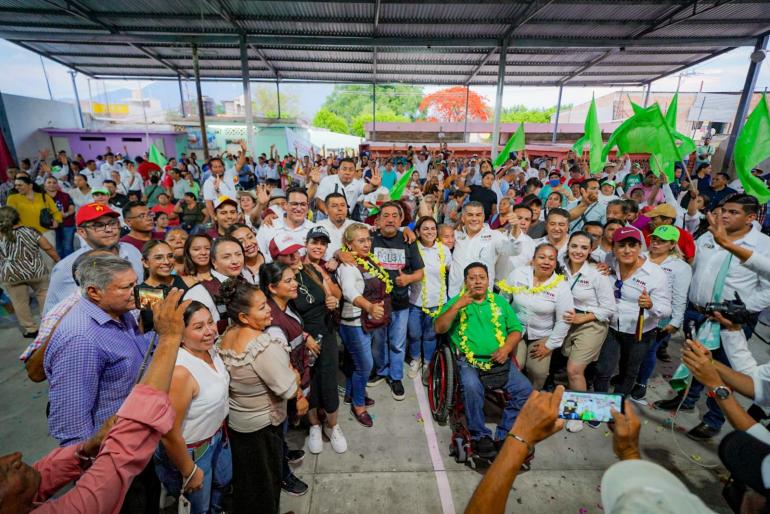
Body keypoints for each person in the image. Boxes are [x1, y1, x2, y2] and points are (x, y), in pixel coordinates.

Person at [0, 289, 189, 514]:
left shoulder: (125, 317)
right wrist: (169, 338)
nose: (15, 456)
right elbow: (112, 459)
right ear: (95, 292)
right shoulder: (79, 339)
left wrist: (86, 448)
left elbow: (44, 473)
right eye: (2, 475)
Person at [655, 194, 770, 440]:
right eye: (724, 210)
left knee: (726, 371)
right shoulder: (710, 235)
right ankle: (687, 399)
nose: (725, 216)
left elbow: (768, 288)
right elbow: (696, 270)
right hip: (697, 312)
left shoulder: (762, 246)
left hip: (730, 323)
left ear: (751, 217)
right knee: (698, 362)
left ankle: (714, 419)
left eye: (733, 212)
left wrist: (741, 310)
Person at [217, 276, 305, 514]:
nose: (270, 311)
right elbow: (287, 389)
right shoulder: (261, 346)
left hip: (239, 423)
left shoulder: (227, 334)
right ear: (244, 317)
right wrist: (294, 375)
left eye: (267, 304)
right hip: (263, 427)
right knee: (266, 485)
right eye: (262, 307)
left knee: (248, 483)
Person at [434, 262, 532, 459]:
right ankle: (479, 436)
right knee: (472, 387)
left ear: (489, 280)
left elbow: (515, 330)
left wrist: (506, 348)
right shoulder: (456, 302)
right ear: (465, 281)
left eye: (482, 277)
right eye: (472, 278)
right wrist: (456, 307)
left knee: (525, 390)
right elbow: (439, 328)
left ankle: (505, 434)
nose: (478, 281)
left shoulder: (499, 302)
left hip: (500, 359)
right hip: (469, 362)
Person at [154, 302, 231, 514]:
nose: (209, 331)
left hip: (217, 437)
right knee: (198, 506)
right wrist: (189, 470)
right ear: (180, 332)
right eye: (198, 327)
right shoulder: (181, 371)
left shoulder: (210, 350)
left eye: (210, 322)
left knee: (222, 484)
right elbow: (168, 432)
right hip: (193, 451)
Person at [276, 227, 346, 454]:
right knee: (310, 383)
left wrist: (332, 302)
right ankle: (315, 425)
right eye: (289, 255)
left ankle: (333, 426)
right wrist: (303, 337)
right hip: (301, 340)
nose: (294, 257)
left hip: (325, 333)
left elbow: (331, 296)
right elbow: (281, 315)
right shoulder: (279, 282)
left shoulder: (313, 269)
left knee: (328, 381)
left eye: (295, 253)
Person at [257, 261, 314, 496]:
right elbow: (282, 366)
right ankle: (282, 475)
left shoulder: (285, 307)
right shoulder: (273, 324)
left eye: (294, 279)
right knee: (279, 430)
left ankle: (284, 453)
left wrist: (305, 335)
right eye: (288, 281)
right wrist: (299, 395)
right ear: (272, 287)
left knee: (285, 428)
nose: (295, 285)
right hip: (287, 386)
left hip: (299, 374)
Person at [594, 226, 671, 397]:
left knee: (629, 371)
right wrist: (604, 269)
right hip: (612, 327)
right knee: (603, 368)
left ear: (640, 247)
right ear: (613, 248)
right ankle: (600, 405)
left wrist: (651, 305)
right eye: (621, 245)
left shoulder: (655, 273)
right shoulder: (610, 260)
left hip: (640, 333)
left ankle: (619, 405)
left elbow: (666, 309)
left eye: (632, 245)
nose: (627, 250)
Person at [364, 202, 424, 400]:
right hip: (377, 304)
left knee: (397, 343)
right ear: (378, 220)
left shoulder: (408, 240)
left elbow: (420, 273)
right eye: (385, 216)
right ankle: (381, 371)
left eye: (394, 216)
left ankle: (395, 377)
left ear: (400, 220)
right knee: (378, 341)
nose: (390, 219)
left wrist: (407, 279)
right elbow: (349, 242)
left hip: (399, 303)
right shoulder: (369, 239)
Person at [43, 202, 144, 314]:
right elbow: (54, 312)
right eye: (99, 226)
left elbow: (138, 292)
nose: (109, 229)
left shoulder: (132, 250)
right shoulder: (67, 268)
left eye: (112, 223)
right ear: (82, 232)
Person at [560, 232, 616, 431]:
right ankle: (576, 402)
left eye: (584, 248)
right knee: (569, 369)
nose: (578, 251)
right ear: (568, 246)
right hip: (568, 322)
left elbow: (609, 309)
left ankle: (578, 415)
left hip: (591, 323)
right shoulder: (561, 267)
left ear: (591, 250)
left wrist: (583, 318)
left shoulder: (597, 274)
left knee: (574, 370)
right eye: (574, 246)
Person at [499, 243, 575, 391]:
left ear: (555, 263)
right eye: (542, 257)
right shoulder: (518, 274)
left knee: (538, 372)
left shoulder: (561, 286)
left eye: (551, 259)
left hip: (542, 334)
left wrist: (550, 345)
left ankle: (532, 399)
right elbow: (503, 301)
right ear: (533, 260)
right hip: (516, 329)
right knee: (517, 365)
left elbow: (564, 320)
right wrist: (501, 329)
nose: (546, 262)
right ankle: (512, 398)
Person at [338, 223, 388, 427]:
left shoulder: (369, 261)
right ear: (349, 245)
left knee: (356, 363)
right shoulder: (348, 266)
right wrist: (369, 306)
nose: (367, 244)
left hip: (366, 322)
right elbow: (349, 291)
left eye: (368, 239)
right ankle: (358, 405)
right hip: (353, 324)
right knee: (365, 366)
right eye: (361, 241)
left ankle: (352, 394)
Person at [0, 206, 59, 337]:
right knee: (43, 295)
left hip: (11, 274)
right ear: (17, 217)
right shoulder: (30, 231)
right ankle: (48, 324)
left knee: (19, 302)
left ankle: (30, 329)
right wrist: (58, 260)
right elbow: (48, 248)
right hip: (36, 271)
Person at [407, 216, 449, 380]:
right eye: (425, 228)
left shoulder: (443, 250)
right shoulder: (411, 248)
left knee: (430, 335)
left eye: (432, 228)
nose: (430, 232)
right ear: (417, 231)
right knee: (414, 333)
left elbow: (449, 271)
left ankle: (427, 363)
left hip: (437, 302)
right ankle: (416, 359)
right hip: (414, 301)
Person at [448, 202, 518, 297]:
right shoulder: (455, 235)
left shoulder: (494, 235)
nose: (474, 219)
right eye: (470, 215)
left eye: (478, 215)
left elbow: (513, 250)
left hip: (481, 298)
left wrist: (515, 228)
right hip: (454, 295)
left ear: (483, 217)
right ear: (463, 218)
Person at [183, 236, 245, 333]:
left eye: (238, 254)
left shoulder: (244, 282)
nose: (235, 261)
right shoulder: (199, 293)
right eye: (226, 257)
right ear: (214, 262)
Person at [136, 240, 189, 331]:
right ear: (145, 262)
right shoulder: (142, 292)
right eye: (159, 257)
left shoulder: (188, 281)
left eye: (170, 256)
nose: (167, 262)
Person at [257, 187, 316, 263]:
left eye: (303, 204)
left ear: (308, 207)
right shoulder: (269, 225)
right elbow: (259, 255)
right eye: (294, 204)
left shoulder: (314, 229)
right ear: (286, 205)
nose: (299, 208)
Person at [312, 192, 354, 261]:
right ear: (326, 209)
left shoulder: (357, 227)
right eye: (334, 206)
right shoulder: (317, 228)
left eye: (343, 205)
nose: (340, 209)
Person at [43, 176, 76, 258]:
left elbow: (72, 208)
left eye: (54, 182)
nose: (52, 184)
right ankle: (60, 268)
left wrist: (66, 214)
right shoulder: (40, 197)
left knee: (68, 248)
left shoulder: (65, 195)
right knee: (56, 249)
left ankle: (70, 267)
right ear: (44, 185)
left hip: (67, 224)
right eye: (49, 182)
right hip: (50, 227)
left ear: (57, 184)